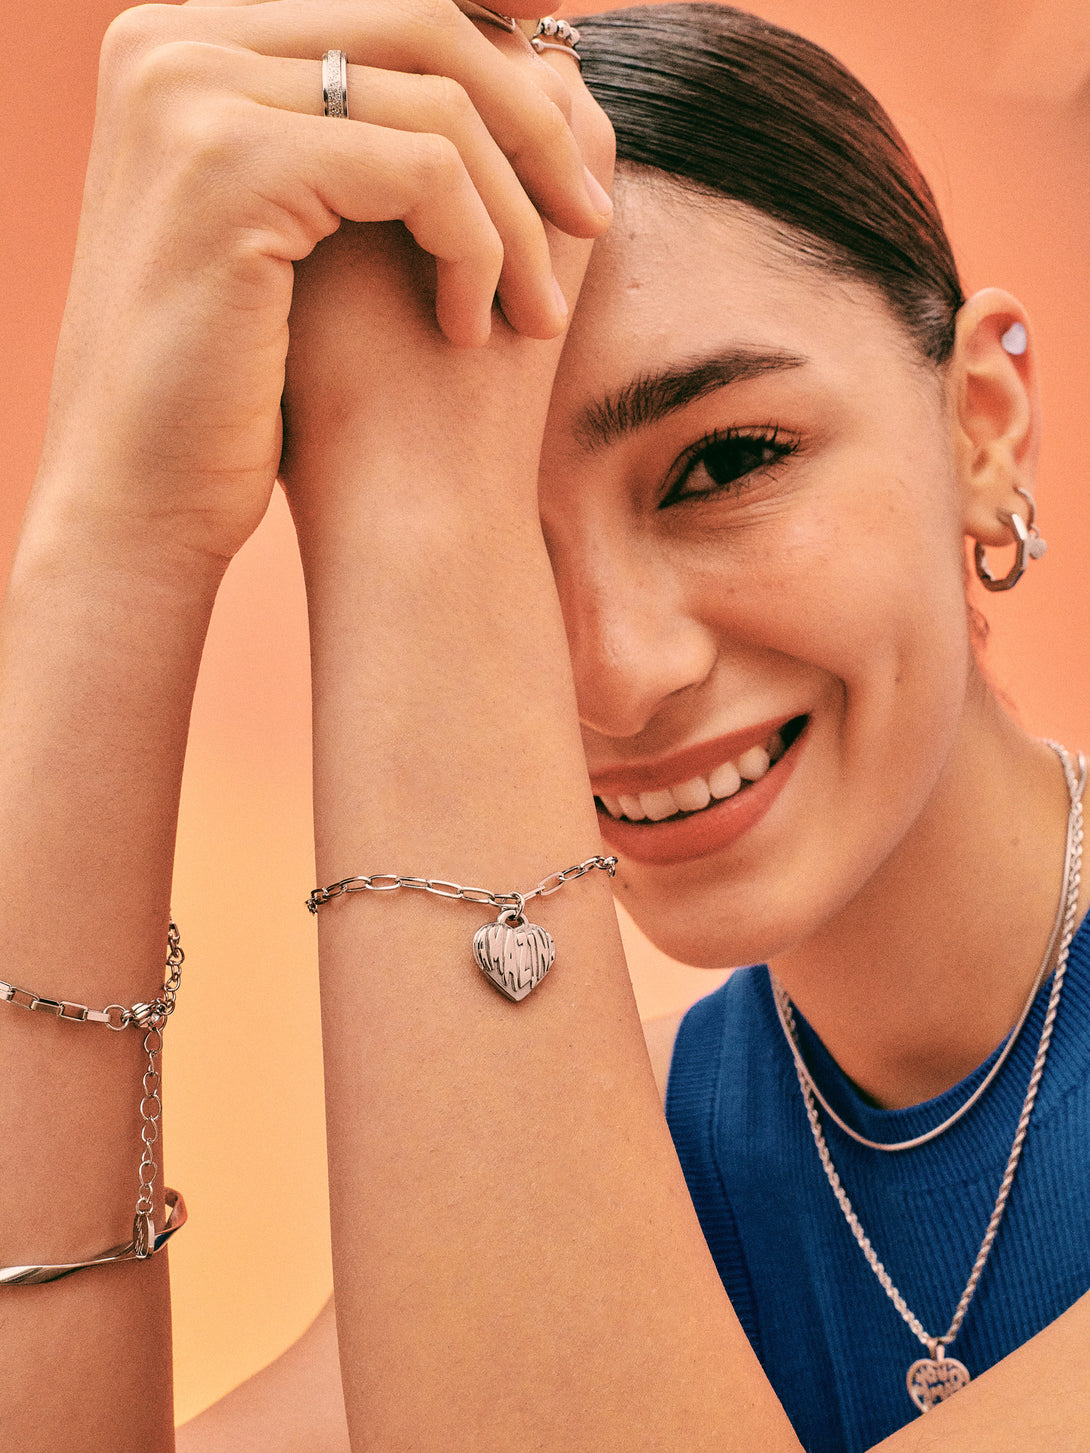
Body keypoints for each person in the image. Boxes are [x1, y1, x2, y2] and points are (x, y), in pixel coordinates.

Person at [1, 2, 1087, 1450]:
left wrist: (411, 480)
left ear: (982, 426)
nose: (619, 674)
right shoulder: (626, 1150)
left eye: (723, 462)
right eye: (500, 557)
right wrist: (107, 541)